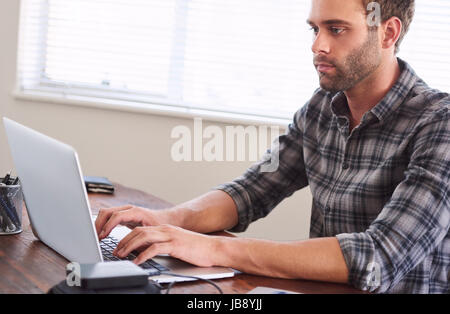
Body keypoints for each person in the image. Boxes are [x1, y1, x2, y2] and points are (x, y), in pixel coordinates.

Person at [95, 0, 449, 293]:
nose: (318, 46)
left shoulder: (439, 122)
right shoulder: (321, 108)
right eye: (315, 29)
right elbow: (253, 191)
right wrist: (167, 219)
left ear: (387, 33)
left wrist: (216, 248)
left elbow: (378, 258)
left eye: (336, 29)